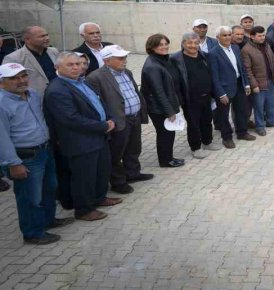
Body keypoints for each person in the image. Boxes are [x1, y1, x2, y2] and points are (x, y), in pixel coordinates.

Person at [1, 63, 72, 244]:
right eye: (14, 78)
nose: (21, 81)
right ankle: (33, 233)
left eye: (23, 76)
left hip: (44, 149)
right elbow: (2, 138)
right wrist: (13, 163)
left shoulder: (32, 94)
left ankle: (48, 220)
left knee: (49, 187)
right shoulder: (2, 103)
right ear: (2, 82)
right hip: (25, 157)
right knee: (30, 197)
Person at [44, 51, 120, 221]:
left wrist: (109, 118)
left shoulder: (81, 82)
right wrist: (103, 126)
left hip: (98, 137)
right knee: (84, 177)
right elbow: (71, 119)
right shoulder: (57, 90)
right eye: (70, 65)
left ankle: (99, 198)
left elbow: (98, 102)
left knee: (100, 171)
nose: (76, 67)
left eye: (78, 64)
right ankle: (84, 210)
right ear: (57, 67)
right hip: (80, 142)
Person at [85, 45, 152, 195]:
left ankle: (133, 173)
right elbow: (96, 103)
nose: (125, 60)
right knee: (116, 153)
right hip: (118, 121)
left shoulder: (127, 72)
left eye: (125, 57)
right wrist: (108, 121)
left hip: (134, 117)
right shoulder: (95, 77)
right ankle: (118, 182)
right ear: (107, 61)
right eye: (120, 58)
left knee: (134, 148)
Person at [140, 35, 186, 168]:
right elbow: (158, 92)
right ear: (152, 47)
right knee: (165, 133)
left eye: (166, 43)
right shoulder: (152, 66)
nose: (165, 47)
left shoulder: (163, 59)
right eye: (160, 45)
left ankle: (168, 157)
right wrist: (169, 111)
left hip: (165, 105)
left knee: (169, 132)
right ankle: (166, 161)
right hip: (158, 108)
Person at [170, 33, 215, 159]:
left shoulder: (203, 55)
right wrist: (179, 99)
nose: (193, 45)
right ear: (183, 43)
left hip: (206, 95)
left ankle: (207, 142)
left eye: (196, 43)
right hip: (190, 98)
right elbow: (175, 82)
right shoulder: (176, 59)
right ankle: (196, 148)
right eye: (190, 43)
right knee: (193, 124)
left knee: (207, 120)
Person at [208, 26, 254, 148]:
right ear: (217, 37)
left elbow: (242, 67)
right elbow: (214, 76)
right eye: (224, 35)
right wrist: (221, 93)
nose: (227, 37)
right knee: (223, 115)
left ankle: (242, 133)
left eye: (229, 35)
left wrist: (246, 84)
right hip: (224, 88)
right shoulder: (213, 53)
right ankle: (227, 138)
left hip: (239, 84)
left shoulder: (235, 48)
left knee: (241, 110)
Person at [241, 26, 274, 136]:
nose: (262, 38)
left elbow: (273, 61)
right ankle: (259, 126)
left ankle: (271, 121)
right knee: (259, 107)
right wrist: (254, 85)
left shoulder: (266, 46)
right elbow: (247, 70)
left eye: (263, 35)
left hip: (270, 80)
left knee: (272, 103)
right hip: (258, 84)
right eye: (259, 36)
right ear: (252, 36)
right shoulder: (246, 50)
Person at [5, 26, 59, 96]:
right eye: (42, 36)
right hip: (34, 98)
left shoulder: (53, 51)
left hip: (58, 95)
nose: (47, 38)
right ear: (27, 39)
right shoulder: (14, 58)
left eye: (47, 35)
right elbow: (8, 84)